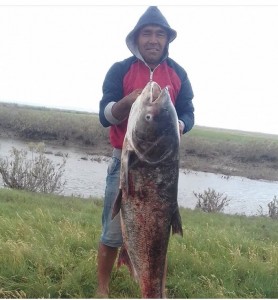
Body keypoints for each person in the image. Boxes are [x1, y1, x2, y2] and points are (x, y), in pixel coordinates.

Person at [97, 6, 194, 297]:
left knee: (157, 235)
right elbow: (105, 115)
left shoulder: (178, 74)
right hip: (126, 163)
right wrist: (125, 104)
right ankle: (101, 290)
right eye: (147, 34)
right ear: (137, 38)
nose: (153, 39)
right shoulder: (120, 70)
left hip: (164, 171)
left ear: (167, 40)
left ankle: (155, 292)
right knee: (112, 233)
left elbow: (189, 112)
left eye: (160, 34)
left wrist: (179, 122)